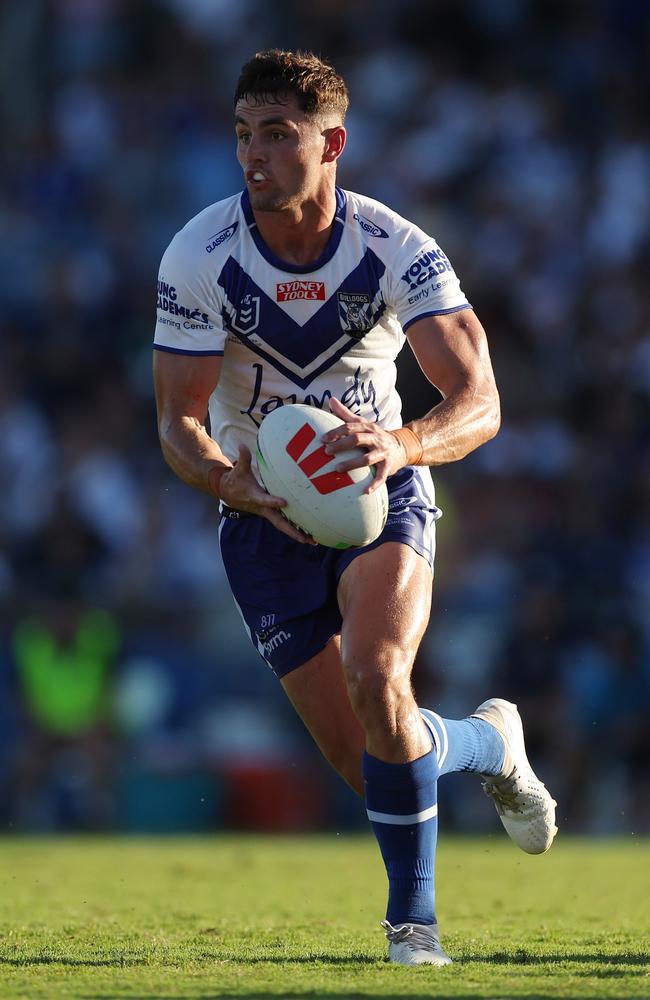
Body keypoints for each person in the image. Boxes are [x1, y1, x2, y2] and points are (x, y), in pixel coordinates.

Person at [153, 49, 557, 966]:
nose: (254, 154)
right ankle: (489, 743)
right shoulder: (199, 254)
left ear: (331, 142)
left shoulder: (397, 249)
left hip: (380, 488)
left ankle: (412, 931)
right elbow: (177, 422)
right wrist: (231, 483)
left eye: (279, 135)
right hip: (258, 512)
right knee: (366, 759)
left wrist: (403, 444)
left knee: (380, 679)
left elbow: (481, 401)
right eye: (244, 134)